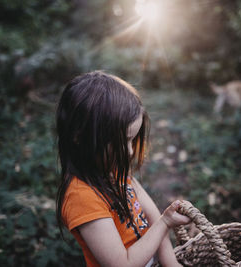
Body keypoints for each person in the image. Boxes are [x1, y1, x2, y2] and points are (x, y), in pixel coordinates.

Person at [55, 71, 190, 267]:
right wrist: (165, 223)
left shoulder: (113, 169)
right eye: (123, 140)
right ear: (80, 136)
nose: (128, 151)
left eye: (133, 139)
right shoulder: (81, 197)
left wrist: (171, 263)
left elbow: (153, 216)